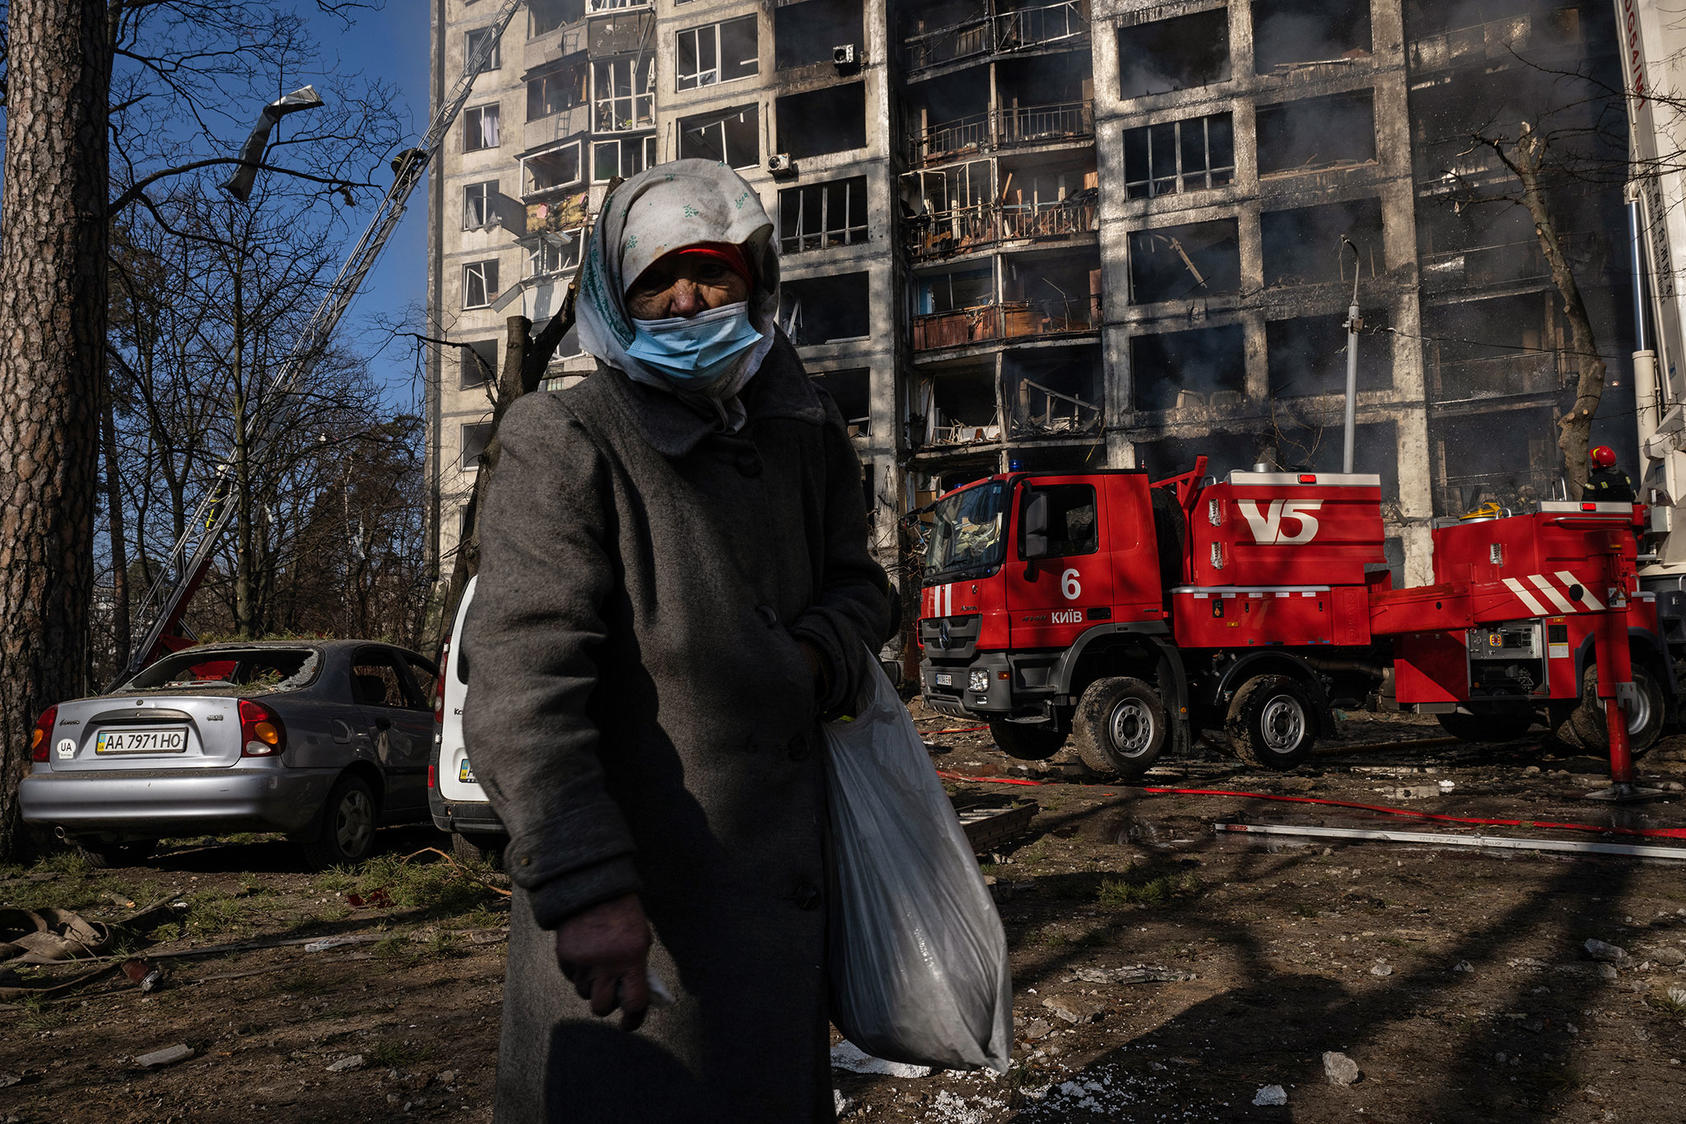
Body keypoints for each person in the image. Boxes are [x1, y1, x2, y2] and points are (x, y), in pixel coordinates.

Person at [462, 159, 891, 1122]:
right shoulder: (564, 436)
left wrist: (815, 657)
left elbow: (862, 587)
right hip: (640, 925)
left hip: (775, 923)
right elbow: (523, 682)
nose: (687, 297)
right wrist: (584, 884)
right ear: (614, 296)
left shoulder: (804, 431)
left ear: (758, 281)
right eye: (656, 277)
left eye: (712, 270)